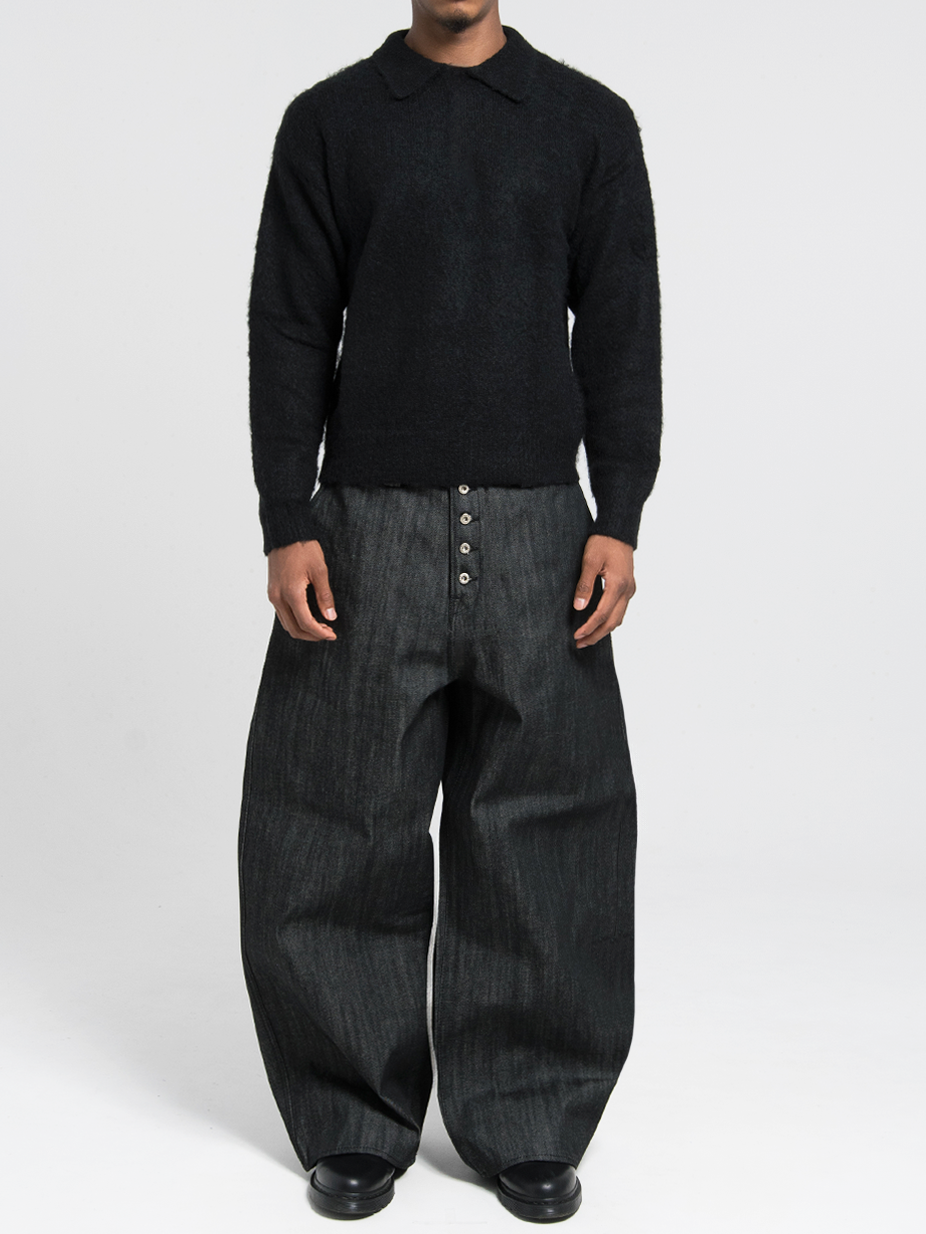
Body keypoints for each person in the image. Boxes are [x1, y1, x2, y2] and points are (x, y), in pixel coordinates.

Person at [238, 0, 661, 1221]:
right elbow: (288, 324)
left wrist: (619, 511)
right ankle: (349, 1115)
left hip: (541, 527)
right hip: (361, 525)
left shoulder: (586, 123)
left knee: (548, 830)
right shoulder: (330, 123)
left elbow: (621, 325)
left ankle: (528, 1113)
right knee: (335, 817)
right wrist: (285, 515)